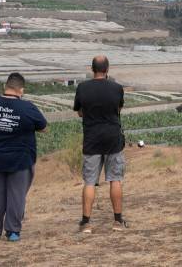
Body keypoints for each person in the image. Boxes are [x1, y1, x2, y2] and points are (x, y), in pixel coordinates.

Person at [0, 72, 48, 242]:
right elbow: (43, 127)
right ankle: (13, 231)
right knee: (16, 196)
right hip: (20, 160)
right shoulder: (27, 108)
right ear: (21, 90)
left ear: (5, 86)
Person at [73, 55, 126, 233]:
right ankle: (118, 221)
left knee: (89, 181)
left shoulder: (82, 88)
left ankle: (86, 223)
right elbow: (118, 110)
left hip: (92, 138)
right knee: (115, 179)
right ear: (107, 69)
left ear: (92, 69)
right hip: (112, 137)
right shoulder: (117, 88)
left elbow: (80, 113)